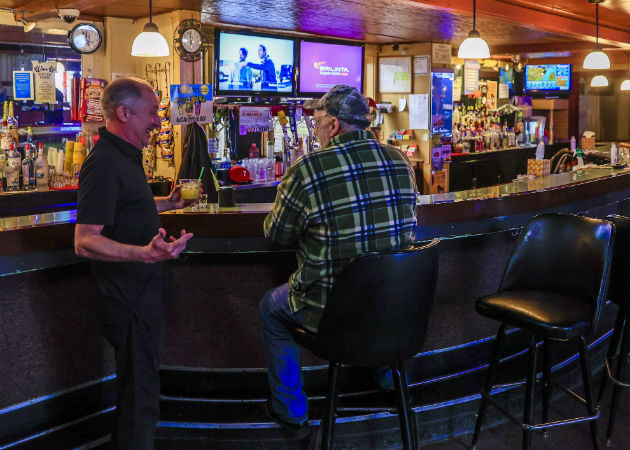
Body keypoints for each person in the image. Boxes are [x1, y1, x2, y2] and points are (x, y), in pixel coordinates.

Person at [259, 85, 418, 438]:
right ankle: (391, 381)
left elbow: (277, 235)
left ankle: (292, 411)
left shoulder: (307, 170)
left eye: (316, 120)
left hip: (333, 315)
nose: (313, 127)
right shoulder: (399, 160)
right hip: (397, 309)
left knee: (271, 307)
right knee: (376, 287)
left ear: (332, 126)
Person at [74, 77, 195, 450]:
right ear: (124, 113)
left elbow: (125, 209)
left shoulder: (126, 156)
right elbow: (85, 241)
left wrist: (167, 205)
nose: (159, 121)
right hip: (127, 300)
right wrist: (144, 253)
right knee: (139, 399)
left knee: (142, 393)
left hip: (142, 295)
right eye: (153, 112)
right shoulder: (104, 164)